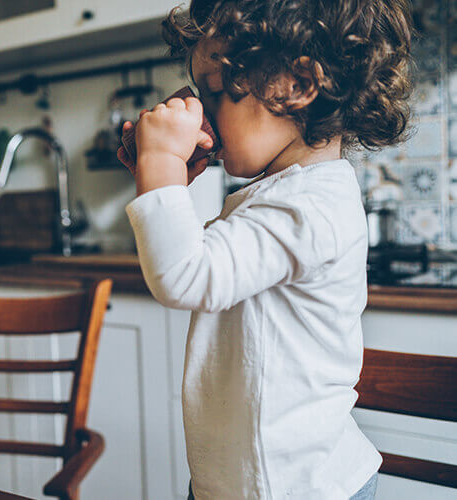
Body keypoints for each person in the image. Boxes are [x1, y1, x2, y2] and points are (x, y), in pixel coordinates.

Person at [117, 1, 412, 498]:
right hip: (246, 477)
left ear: (297, 86)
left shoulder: (310, 206)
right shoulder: (284, 196)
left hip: (291, 487)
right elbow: (211, 261)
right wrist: (164, 182)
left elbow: (185, 275)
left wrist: (163, 162)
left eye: (214, 93)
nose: (204, 116)